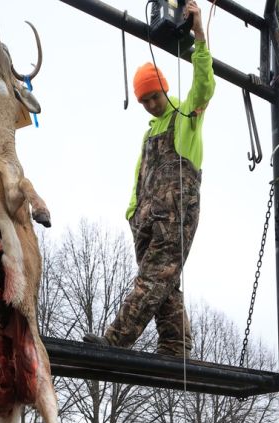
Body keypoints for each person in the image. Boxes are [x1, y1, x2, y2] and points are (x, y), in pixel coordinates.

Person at [85, 1, 214, 357]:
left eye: (153, 96)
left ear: (164, 89)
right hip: (144, 224)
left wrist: (199, 36)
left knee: (153, 279)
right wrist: (132, 213)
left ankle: (116, 339)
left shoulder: (186, 116)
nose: (150, 104)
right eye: (143, 100)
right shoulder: (149, 133)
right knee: (164, 285)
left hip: (175, 218)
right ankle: (176, 344)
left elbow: (204, 85)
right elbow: (140, 180)